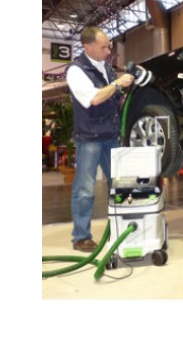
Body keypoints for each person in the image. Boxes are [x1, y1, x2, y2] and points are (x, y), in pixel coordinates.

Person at [66, 26, 134, 251]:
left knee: (121, 184)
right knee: (85, 189)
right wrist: (117, 84)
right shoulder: (76, 71)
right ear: (87, 47)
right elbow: (94, 99)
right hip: (89, 138)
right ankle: (81, 237)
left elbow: (112, 97)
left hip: (110, 135)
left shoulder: (105, 67)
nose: (108, 51)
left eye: (109, 46)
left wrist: (123, 87)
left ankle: (123, 229)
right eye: (103, 47)